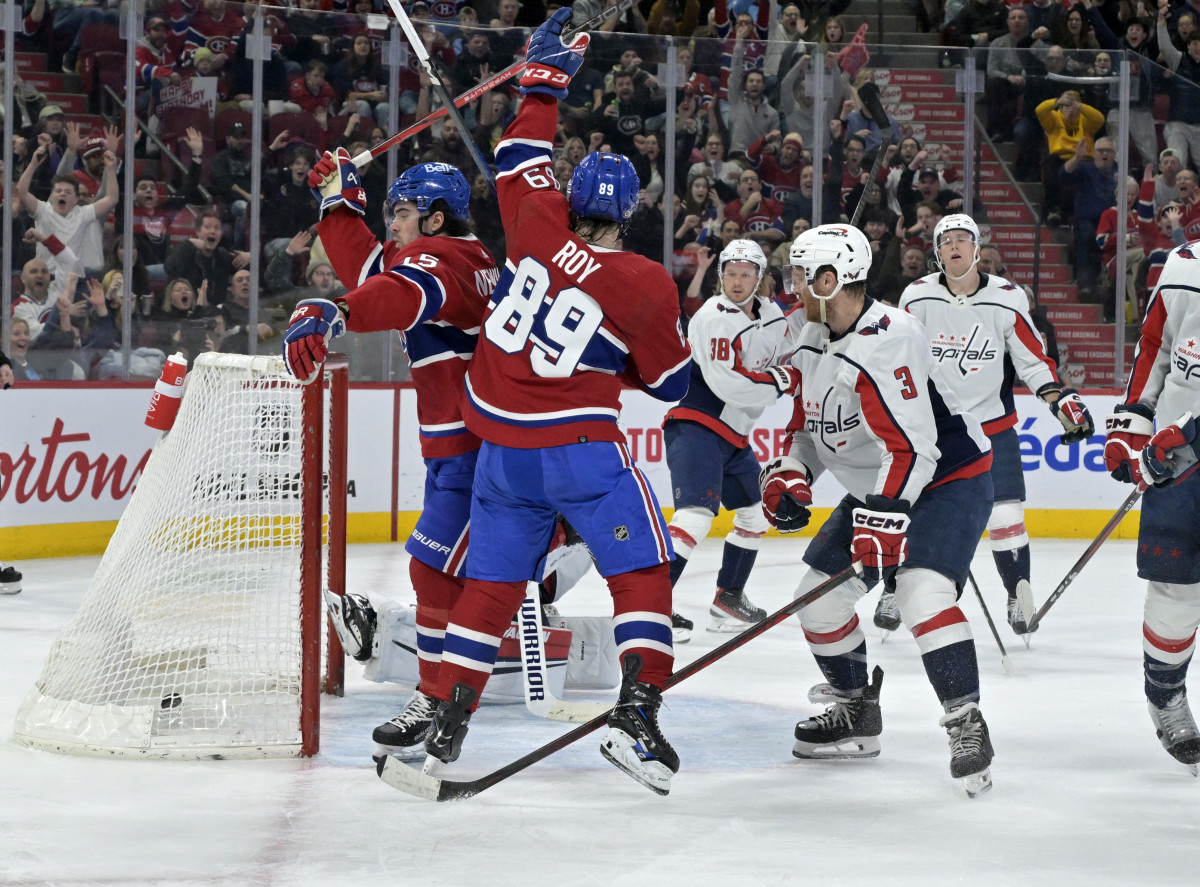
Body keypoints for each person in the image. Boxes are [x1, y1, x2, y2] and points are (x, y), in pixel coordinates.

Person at [414, 9, 692, 795]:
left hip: (501, 456)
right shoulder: (643, 281)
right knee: (643, 569)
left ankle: (447, 722)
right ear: (630, 213)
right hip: (580, 454)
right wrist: (622, 362)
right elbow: (671, 385)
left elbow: (515, 152)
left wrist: (544, 83)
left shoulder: (533, 222)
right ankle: (637, 715)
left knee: (493, 587)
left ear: (571, 198)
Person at [762, 222, 997, 796]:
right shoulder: (812, 335)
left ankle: (966, 722)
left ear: (829, 279)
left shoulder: (889, 338)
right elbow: (809, 430)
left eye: (799, 274)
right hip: (883, 485)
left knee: (921, 592)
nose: (789, 285)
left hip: (946, 479)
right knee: (815, 600)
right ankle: (855, 711)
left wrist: (884, 518)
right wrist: (792, 472)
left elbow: (916, 449)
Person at [283, 153, 499, 762]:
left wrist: (338, 310)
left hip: (477, 455)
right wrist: (337, 199)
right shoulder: (464, 256)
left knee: (432, 571)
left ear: (434, 219)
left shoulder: (446, 259)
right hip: (462, 449)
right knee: (445, 576)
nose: (393, 226)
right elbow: (374, 268)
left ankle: (438, 700)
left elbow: (399, 288)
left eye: (401, 214)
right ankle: (443, 696)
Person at [897, 214, 1094, 639]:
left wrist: (1057, 396)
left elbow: (1031, 358)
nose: (955, 246)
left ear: (977, 248)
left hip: (991, 425)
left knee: (1006, 514)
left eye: (963, 239)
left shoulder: (1007, 297)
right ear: (937, 252)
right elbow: (896, 355)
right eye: (946, 240)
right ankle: (897, 585)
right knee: (912, 508)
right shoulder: (915, 297)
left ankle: (1016, 592)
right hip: (936, 426)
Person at [663, 239, 797, 643]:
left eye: (746, 274)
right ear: (720, 276)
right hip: (697, 425)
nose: (737, 282)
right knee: (694, 517)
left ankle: (728, 598)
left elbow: (789, 343)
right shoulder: (713, 316)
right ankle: (651, 606)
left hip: (734, 436)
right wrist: (782, 381)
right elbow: (729, 385)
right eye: (731, 273)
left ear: (759, 278)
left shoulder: (768, 312)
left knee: (754, 516)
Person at [1103, 241, 1200, 775]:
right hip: (1179, 452)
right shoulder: (1184, 265)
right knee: (1175, 584)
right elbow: (1154, 345)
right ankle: (1165, 697)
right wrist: (1133, 420)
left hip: (1181, 442)